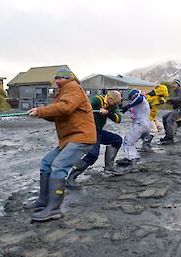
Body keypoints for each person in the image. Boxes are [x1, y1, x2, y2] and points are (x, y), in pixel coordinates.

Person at [24, 68, 96, 221]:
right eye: (56, 78)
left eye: (60, 78)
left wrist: (40, 111)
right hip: (69, 139)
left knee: (58, 166)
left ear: (68, 78)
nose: (57, 81)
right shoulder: (62, 91)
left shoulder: (73, 87)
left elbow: (66, 107)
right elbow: (58, 113)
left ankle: (54, 209)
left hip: (81, 137)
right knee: (46, 163)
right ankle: (44, 201)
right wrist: (40, 114)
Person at [66, 90, 123, 189]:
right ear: (109, 98)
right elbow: (83, 108)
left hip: (98, 131)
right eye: (115, 103)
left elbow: (118, 119)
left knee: (117, 140)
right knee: (93, 154)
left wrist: (107, 113)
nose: (116, 105)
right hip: (88, 129)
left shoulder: (113, 105)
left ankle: (109, 167)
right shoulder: (97, 100)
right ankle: (71, 177)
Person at [116, 89, 150, 168]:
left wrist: (128, 105)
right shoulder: (138, 103)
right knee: (131, 140)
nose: (132, 98)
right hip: (145, 126)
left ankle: (133, 162)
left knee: (128, 141)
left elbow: (139, 97)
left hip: (141, 125)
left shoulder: (140, 98)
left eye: (132, 97)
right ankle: (129, 157)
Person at [160, 79, 181, 144]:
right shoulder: (176, 91)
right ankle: (167, 135)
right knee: (164, 117)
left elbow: (179, 98)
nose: (172, 85)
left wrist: (171, 100)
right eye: (172, 83)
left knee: (169, 120)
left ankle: (170, 138)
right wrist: (169, 102)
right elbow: (176, 100)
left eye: (174, 83)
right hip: (177, 109)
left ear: (177, 84)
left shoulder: (180, 89)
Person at [142, 84, 169, 150]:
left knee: (160, 127)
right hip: (148, 116)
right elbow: (143, 102)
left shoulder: (158, 97)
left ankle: (147, 140)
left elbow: (161, 99)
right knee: (154, 130)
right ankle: (145, 143)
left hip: (153, 117)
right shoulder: (151, 97)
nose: (163, 96)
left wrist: (162, 101)